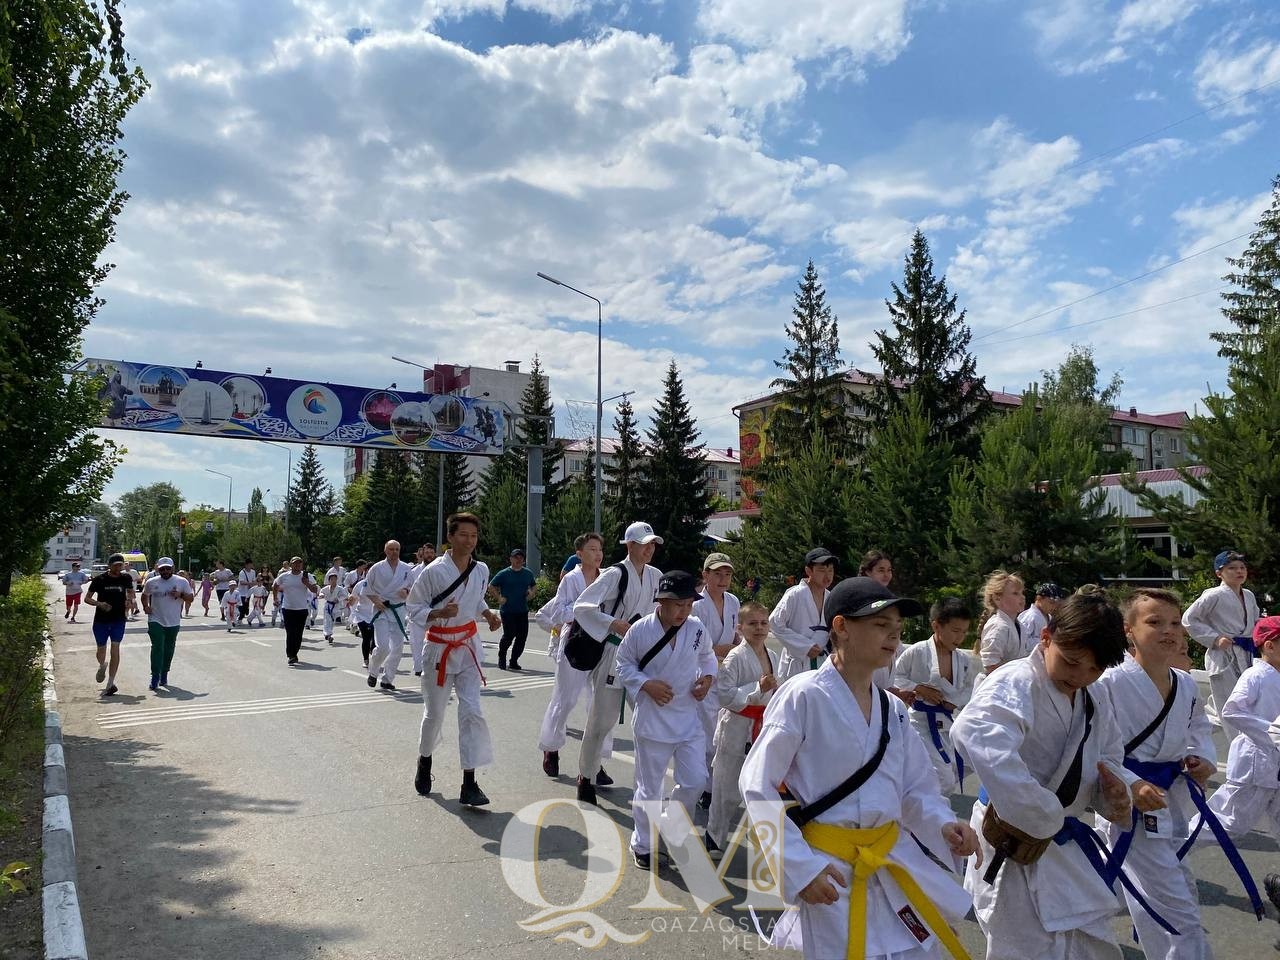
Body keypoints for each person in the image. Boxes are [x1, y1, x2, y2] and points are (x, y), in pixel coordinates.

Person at [740, 577, 979, 960]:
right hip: (830, 870)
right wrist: (798, 868)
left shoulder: (893, 709)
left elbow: (915, 788)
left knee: (919, 951)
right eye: (881, 626)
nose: (893, 637)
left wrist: (942, 825)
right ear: (841, 627)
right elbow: (757, 785)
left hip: (891, 857)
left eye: (898, 629)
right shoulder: (803, 696)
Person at [951, 591, 1136, 960]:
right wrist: (1042, 813)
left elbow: (1109, 755)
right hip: (1014, 840)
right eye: (1070, 663)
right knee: (1021, 949)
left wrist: (1112, 790)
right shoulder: (1018, 680)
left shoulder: (1094, 696)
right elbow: (972, 731)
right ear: (1047, 638)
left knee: (1086, 944)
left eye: (1093, 670)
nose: (1079, 677)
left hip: (1060, 844)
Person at [1097, 588, 1231, 960]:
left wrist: (1199, 758)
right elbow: (1094, 749)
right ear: (1129, 630)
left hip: (1169, 799)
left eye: (1174, 623)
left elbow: (1198, 729)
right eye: (1154, 622)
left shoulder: (1184, 682)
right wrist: (1131, 783)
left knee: (1164, 892)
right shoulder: (1108, 682)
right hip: (1130, 803)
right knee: (1177, 906)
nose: (1168, 630)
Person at [615, 570, 717, 869]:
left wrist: (707, 678)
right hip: (653, 720)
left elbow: (708, 656)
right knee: (650, 788)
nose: (683, 612)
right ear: (660, 602)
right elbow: (623, 665)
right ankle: (643, 843)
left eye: (688, 605)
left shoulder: (697, 628)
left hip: (688, 718)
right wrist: (646, 684)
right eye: (677, 605)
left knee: (696, 781)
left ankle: (673, 831)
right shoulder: (640, 630)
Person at [407, 512, 501, 807]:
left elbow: (475, 596)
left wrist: (486, 613)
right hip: (438, 648)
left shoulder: (481, 568)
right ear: (450, 537)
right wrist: (437, 614)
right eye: (463, 535)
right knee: (434, 714)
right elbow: (413, 609)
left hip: (469, 645)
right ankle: (425, 760)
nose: (469, 541)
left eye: (473, 536)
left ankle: (469, 782)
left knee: (472, 711)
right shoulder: (433, 571)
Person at [570, 520, 664, 805]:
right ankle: (586, 775)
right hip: (613, 653)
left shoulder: (656, 575)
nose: (649, 550)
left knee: (650, 719)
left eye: (652, 545)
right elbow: (582, 606)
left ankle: (648, 783)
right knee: (601, 720)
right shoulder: (614, 573)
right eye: (644, 544)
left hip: (643, 654)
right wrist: (612, 623)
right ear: (630, 545)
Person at [535, 533, 614, 782]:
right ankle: (551, 746)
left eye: (600, 549)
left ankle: (594, 762)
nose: (598, 554)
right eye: (592, 549)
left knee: (600, 703)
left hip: (602, 642)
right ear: (579, 554)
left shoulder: (608, 578)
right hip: (575, 642)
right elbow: (558, 610)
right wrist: (586, 613)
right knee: (565, 700)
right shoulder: (571, 579)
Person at [704, 599, 775, 859]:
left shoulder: (773, 655)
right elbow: (724, 695)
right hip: (735, 725)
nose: (759, 628)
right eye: (752, 624)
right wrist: (758, 690)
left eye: (763, 623)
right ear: (740, 627)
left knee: (759, 785)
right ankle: (714, 835)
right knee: (726, 787)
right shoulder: (735, 656)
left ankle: (757, 835)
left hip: (761, 726)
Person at [891, 597, 980, 794]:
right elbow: (895, 676)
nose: (960, 638)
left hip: (947, 720)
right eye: (955, 631)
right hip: (920, 722)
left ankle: (924, 802)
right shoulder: (917, 651)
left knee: (966, 762)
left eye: (964, 632)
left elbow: (968, 689)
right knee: (943, 779)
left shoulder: (962, 659)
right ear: (937, 626)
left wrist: (952, 701)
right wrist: (919, 689)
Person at [1204, 614, 1280, 839]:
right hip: (1255, 764)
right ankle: (1172, 853)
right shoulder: (1255, 675)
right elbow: (1232, 710)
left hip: (1273, 763)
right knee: (1228, 822)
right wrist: (1273, 733)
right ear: (1270, 645)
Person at [1183, 549, 1260, 739]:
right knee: (1228, 702)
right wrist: (1215, 638)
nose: (1239, 571)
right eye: (1232, 568)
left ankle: (1249, 740)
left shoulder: (1248, 595)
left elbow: (1256, 620)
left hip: (1247, 652)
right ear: (1219, 573)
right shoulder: (1214, 594)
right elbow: (1189, 619)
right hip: (1223, 654)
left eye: (1242, 567)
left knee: (1248, 699)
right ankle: (1235, 743)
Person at [692, 551, 740, 808]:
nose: (723, 579)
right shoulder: (696, 605)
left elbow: (733, 636)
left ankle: (716, 785)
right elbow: (696, 645)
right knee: (709, 735)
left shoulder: (732, 601)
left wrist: (737, 643)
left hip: (729, 674)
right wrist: (719, 649)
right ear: (705, 575)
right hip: (703, 675)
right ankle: (707, 788)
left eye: (727, 574)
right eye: (717, 573)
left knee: (726, 732)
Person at [771, 547, 837, 683]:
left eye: (830, 570)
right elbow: (775, 622)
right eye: (822, 570)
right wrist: (804, 646)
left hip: (821, 661)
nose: (828, 575)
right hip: (797, 663)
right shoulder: (795, 594)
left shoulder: (831, 597)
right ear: (808, 571)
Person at [364, 540, 416, 691]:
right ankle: (373, 671)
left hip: (399, 610)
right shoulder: (376, 568)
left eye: (397, 549)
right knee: (384, 647)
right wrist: (376, 601)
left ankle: (387, 679)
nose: (394, 552)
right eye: (391, 549)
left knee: (397, 648)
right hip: (381, 610)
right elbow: (367, 589)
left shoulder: (407, 568)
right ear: (385, 550)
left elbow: (415, 589)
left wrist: (406, 592)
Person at [82, 553, 135, 697]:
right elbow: (87, 598)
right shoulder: (100, 579)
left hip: (118, 619)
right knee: (101, 650)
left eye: (121, 565)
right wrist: (100, 604)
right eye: (116, 565)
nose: (119, 567)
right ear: (109, 566)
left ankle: (110, 683)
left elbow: (131, 592)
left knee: (116, 649)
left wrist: (130, 600)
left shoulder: (126, 578)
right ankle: (102, 665)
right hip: (101, 620)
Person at [140, 557, 194, 691]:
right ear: (158, 569)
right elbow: (144, 595)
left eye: (167, 569)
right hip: (155, 619)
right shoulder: (151, 582)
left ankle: (164, 673)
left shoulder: (181, 581)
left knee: (169, 649)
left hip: (173, 621)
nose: (165, 571)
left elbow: (190, 598)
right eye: (162, 569)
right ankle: (155, 676)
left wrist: (180, 594)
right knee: (157, 647)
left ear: (172, 569)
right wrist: (145, 606)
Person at [488, 548, 538, 671]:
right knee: (509, 635)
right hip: (508, 610)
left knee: (522, 637)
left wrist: (532, 593)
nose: (518, 560)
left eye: (521, 558)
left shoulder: (527, 573)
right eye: (516, 557)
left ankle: (514, 661)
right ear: (511, 559)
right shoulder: (504, 573)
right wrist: (499, 598)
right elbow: (491, 586)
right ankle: (502, 657)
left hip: (522, 610)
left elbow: (534, 585)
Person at [976, 570, 1026, 674]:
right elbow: (991, 664)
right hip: (997, 685)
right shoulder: (998, 626)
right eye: (1015, 593)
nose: (1022, 597)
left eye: (1022, 593)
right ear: (997, 598)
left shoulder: (1019, 626)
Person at [273, 556, 319, 664]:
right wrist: (275, 598)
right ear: (291, 565)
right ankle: (291, 655)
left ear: (302, 565)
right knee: (290, 633)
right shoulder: (284, 576)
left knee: (298, 634)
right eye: (295, 563)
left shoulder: (306, 576)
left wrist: (306, 583)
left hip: (302, 608)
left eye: (299, 563)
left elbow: (315, 590)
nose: (297, 565)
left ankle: (295, 652)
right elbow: (275, 585)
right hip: (288, 608)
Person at [408, 544, 437, 676]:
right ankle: (418, 667)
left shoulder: (439, 570)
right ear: (422, 554)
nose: (429, 555)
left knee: (434, 640)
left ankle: (432, 665)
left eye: (432, 552)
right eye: (427, 552)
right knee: (416, 641)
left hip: (435, 611)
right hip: (417, 610)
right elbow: (408, 590)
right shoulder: (414, 572)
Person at [1017, 583, 1064, 650]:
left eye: (1056, 604)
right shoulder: (1030, 616)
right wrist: (1045, 641)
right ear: (1039, 599)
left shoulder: (1049, 617)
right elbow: (1021, 641)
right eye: (1051, 602)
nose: (1054, 606)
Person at [348, 570, 376, 668]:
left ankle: (372, 650)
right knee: (366, 637)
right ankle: (366, 659)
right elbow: (353, 597)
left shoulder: (380, 584)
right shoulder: (360, 585)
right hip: (362, 615)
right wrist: (351, 600)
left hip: (376, 614)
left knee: (375, 638)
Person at [319, 573, 347, 645]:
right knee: (327, 620)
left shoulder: (340, 588)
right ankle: (328, 635)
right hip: (328, 606)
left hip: (336, 606)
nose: (333, 581)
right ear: (329, 580)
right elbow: (321, 592)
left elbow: (345, 595)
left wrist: (338, 599)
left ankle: (327, 634)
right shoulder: (326, 588)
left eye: (335, 579)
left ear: (337, 580)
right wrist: (321, 595)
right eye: (331, 579)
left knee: (332, 622)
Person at [235, 559, 257, 623]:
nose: (251, 566)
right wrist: (250, 583)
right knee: (242, 606)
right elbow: (241, 582)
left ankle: (240, 615)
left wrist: (254, 584)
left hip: (248, 592)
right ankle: (239, 619)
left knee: (246, 606)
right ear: (246, 565)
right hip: (242, 592)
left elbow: (253, 581)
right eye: (249, 564)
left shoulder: (253, 572)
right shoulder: (242, 572)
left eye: (251, 564)